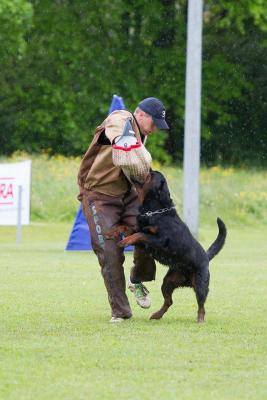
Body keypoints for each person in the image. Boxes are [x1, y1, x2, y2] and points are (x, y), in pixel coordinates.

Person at [77, 97, 169, 322]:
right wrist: (121, 138)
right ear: (140, 114)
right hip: (99, 195)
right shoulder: (122, 117)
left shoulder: (142, 133)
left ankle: (136, 279)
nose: (156, 128)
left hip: (127, 194)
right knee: (109, 251)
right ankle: (120, 311)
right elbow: (116, 125)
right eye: (154, 122)